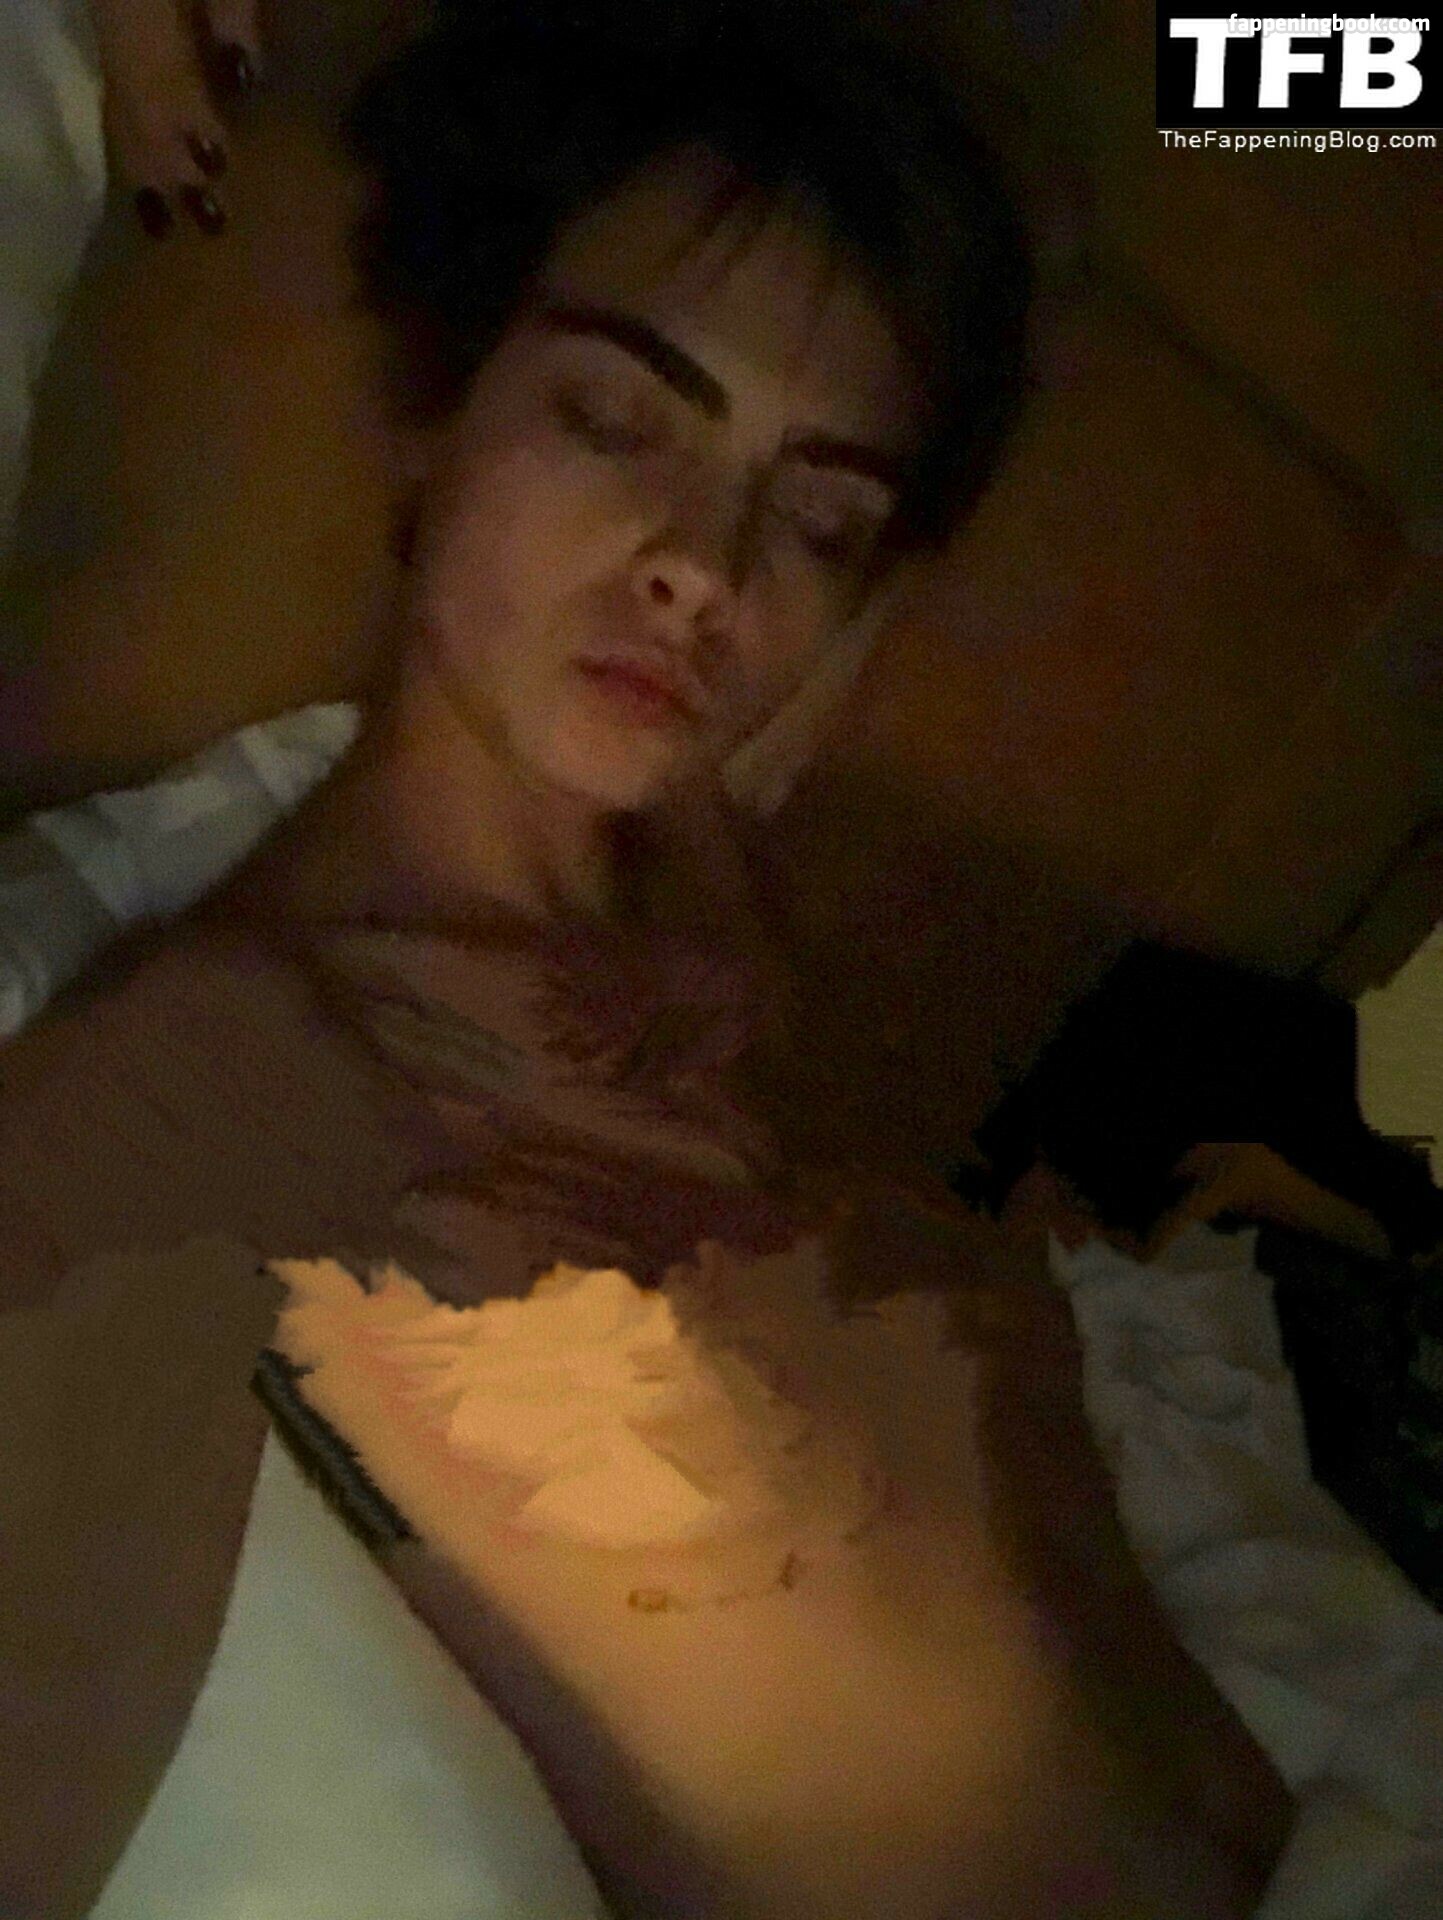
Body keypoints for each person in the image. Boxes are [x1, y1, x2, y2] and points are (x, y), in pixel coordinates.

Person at [0, 4, 1296, 1916]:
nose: (710, 563)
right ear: (435, 406)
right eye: (616, 418)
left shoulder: (703, 883)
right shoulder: (221, 1073)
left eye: (819, 512)